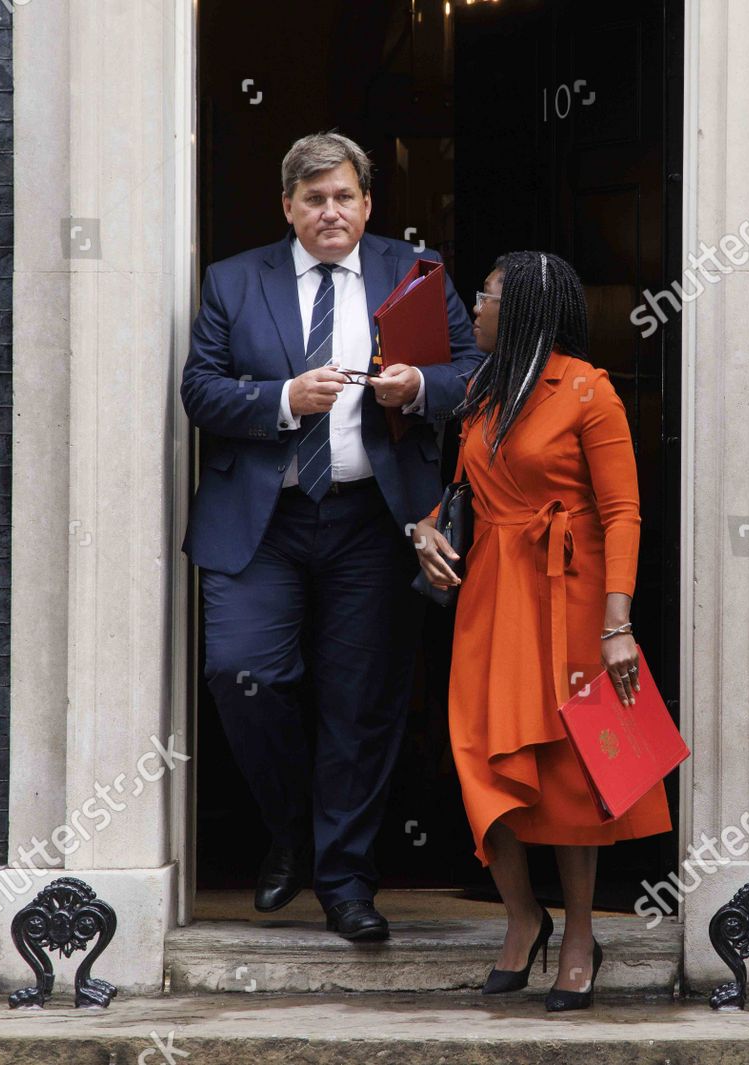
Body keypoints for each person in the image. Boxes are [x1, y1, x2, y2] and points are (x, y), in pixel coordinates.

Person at [181, 132, 483, 941]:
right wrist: (282, 398)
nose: (330, 212)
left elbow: (472, 374)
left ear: (367, 203)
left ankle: (347, 881)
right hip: (264, 520)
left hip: (375, 522)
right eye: (313, 199)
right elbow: (200, 390)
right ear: (288, 207)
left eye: (344, 196)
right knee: (242, 672)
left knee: (363, 705)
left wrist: (418, 385)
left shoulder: (414, 274)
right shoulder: (234, 281)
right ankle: (291, 831)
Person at [411, 251, 671, 1009]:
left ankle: (583, 932)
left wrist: (617, 624)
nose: (473, 309)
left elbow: (623, 511)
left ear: (519, 309)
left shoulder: (588, 389)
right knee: (479, 752)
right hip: (491, 594)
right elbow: (464, 493)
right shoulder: (482, 390)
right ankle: (525, 915)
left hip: (571, 600)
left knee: (569, 770)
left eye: (485, 298)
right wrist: (425, 531)